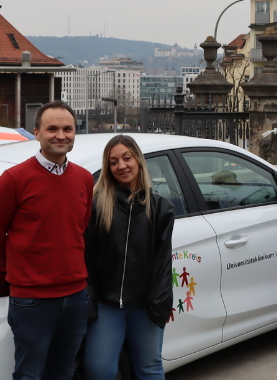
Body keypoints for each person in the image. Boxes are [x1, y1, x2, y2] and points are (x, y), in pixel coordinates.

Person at [0, 100, 94, 380]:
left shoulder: (83, 179)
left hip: (76, 297)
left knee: (64, 372)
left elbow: (80, 228)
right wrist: (22, 273)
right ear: (37, 133)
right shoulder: (13, 180)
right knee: (29, 374)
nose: (61, 135)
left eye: (67, 129)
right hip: (32, 300)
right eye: (52, 128)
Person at [83, 134, 176, 380]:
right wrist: (91, 303)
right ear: (108, 167)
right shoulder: (97, 207)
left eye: (127, 158)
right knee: (98, 369)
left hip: (145, 306)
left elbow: (162, 263)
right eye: (113, 162)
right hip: (107, 306)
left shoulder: (160, 208)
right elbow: (88, 260)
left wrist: (159, 305)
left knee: (149, 367)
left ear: (138, 160)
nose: (121, 166)